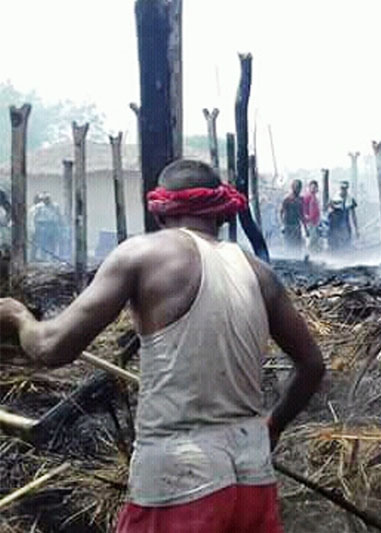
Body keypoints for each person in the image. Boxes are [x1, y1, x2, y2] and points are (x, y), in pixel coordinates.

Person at [0, 160, 325, 533]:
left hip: (179, 481)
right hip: (253, 477)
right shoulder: (259, 272)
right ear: (221, 214)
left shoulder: (142, 254)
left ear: (159, 212)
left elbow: (52, 347)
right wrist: (273, 426)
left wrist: (17, 316)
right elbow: (312, 365)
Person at [327, 181, 358, 251]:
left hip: (345, 224)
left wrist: (356, 228)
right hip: (335, 224)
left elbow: (353, 215)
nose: (344, 190)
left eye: (345, 188)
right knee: (334, 243)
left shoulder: (350, 199)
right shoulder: (334, 198)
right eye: (342, 188)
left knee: (346, 242)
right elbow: (328, 212)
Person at [280, 179, 304, 252]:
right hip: (288, 225)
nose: (298, 189)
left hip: (296, 226)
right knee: (288, 245)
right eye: (296, 187)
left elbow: (301, 214)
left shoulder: (300, 200)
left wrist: (305, 228)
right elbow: (281, 212)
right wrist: (282, 224)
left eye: (299, 187)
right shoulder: (287, 199)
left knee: (297, 246)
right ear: (292, 187)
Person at [301, 180, 321, 252]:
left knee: (314, 241)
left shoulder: (315, 197)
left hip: (315, 223)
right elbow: (303, 209)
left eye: (315, 187)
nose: (314, 189)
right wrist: (306, 220)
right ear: (309, 188)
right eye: (312, 187)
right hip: (309, 223)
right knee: (309, 241)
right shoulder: (307, 197)